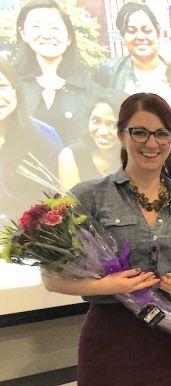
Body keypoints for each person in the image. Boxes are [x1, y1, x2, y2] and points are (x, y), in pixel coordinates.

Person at [42, 93, 171, 386]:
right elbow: (51, 278)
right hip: (113, 344)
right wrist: (108, 286)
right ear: (121, 136)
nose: (152, 144)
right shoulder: (90, 196)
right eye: (140, 132)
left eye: (162, 134)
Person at [14, 0, 99, 145]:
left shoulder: (91, 91)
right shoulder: (11, 87)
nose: (46, 35)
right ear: (24, 34)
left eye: (54, 28)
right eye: (36, 26)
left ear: (69, 38)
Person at [0, 58, 62, 226]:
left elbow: (57, 200)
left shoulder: (44, 135)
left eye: (2, 87)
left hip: (31, 238)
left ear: (15, 90)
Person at [94, 2, 171, 99]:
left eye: (146, 30)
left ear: (158, 35)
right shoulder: (107, 72)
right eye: (131, 31)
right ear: (123, 38)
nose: (140, 37)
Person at [58, 88, 125, 189]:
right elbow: (69, 203)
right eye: (96, 121)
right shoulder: (71, 156)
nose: (102, 132)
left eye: (112, 125)